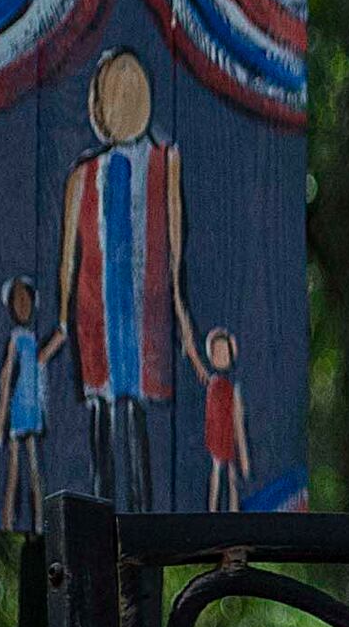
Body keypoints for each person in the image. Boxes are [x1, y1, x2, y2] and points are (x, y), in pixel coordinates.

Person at [51, 47, 197, 510]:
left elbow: (176, 246)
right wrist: (60, 322)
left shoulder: (164, 161)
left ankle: (139, 512)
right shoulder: (83, 175)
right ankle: (102, 509)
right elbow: (67, 261)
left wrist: (182, 316)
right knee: (101, 410)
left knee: (134, 412)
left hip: (143, 313)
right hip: (96, 310)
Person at [0, 277, 61, 528]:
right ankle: (7, 520)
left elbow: (40, 361)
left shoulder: (32, 338)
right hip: (18, 410)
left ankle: (38, 522)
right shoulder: (16, 338)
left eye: (26, 300)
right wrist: (2, 412)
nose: (22, 305)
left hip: (33, 410)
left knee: (35, 472)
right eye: (17, 301)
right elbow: (7, 373)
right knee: (14, 470)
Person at [198, 325, 248, 510]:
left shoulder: (232, 388)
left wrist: (243, 456)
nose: (221, 357)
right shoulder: (213, 384)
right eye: (217, 353)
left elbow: (237, 420)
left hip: (229, 435)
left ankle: (233, 512)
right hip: (216, 436)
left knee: (232, 477)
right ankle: (212, 511)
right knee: (217, 472)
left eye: (224, 352)